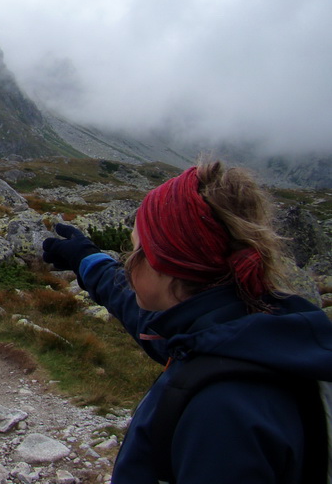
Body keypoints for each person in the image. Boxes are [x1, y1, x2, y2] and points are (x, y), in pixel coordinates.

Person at [41, 160, 332, 483]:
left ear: (168, 265)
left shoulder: (223, 412)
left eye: (137, 249)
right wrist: (87, 260)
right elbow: (145, 315)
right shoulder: (238, 329)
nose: (126, 265)